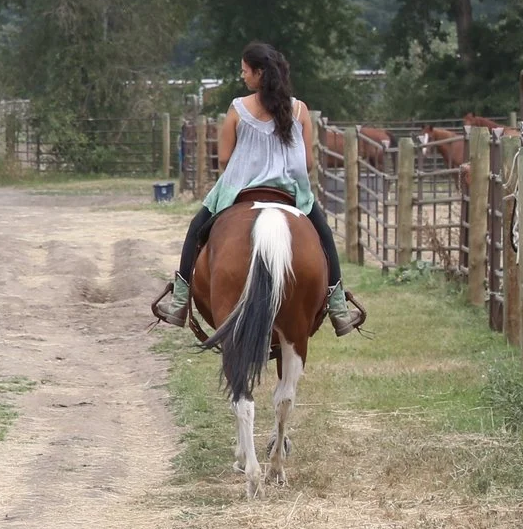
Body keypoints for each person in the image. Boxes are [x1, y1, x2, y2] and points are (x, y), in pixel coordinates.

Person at [153, 41, 365, 336]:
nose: (243, 76)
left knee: (195, 229)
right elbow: (308, 162)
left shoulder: (238, 109)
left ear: (259, 73)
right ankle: (339, 307)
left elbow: (225, 158)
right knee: (324, 235)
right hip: (291, 192)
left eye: (245, 71)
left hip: (239, 191)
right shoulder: (300, 109)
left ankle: (179, 300)